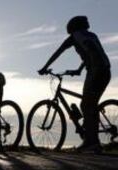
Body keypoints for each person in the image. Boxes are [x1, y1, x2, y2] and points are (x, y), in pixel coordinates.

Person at [38, 16, 111, 153]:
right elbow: (91, 52)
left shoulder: (75, 36)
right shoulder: (91, 35)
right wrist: (79, 69)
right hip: (106, 71)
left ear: (72, 28)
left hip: (96, 71)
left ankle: (92, 142)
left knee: (86, 105)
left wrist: (45, 67)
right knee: (90, 104)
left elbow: (58, 52)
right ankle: (92, 140)